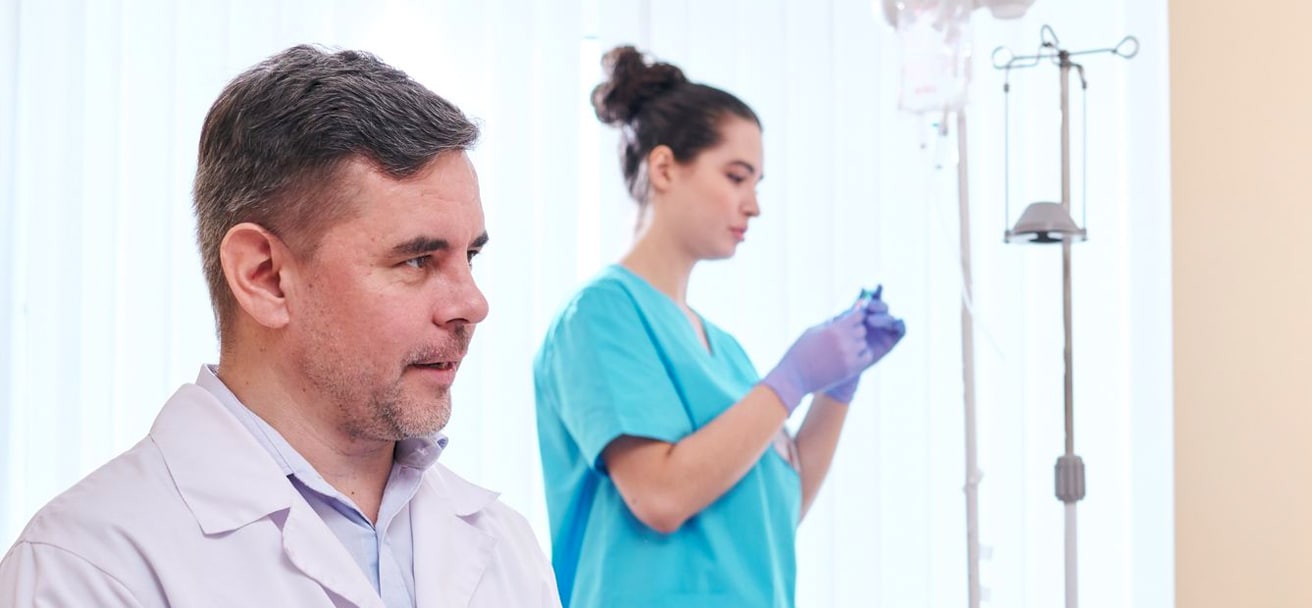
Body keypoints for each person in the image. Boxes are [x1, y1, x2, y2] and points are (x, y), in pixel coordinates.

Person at [0, 46, 559, 607]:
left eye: (471, 257)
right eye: (417, 260)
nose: (472, 303)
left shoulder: (506, 547)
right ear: (264, 277)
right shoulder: (87, 569)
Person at [534, 45, 906, 608]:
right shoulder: (600, 316)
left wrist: (834, 388)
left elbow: (775, 509)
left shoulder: (725, 352)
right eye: (736, 177)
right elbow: (661, 495)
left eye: (757, 183)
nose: (753, 205)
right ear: (664, 168)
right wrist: (791, 380)